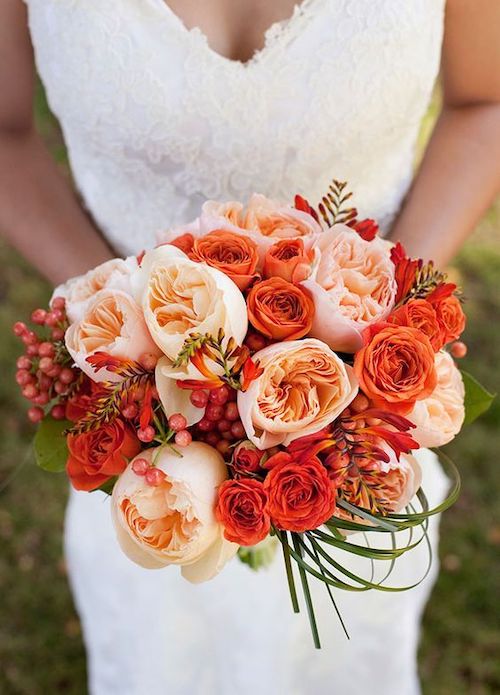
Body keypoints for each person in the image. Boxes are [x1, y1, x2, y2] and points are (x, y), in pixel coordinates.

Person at [1, 1, 499, 693]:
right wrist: (126, 327)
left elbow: (485, 102)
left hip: (356, 444)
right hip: (148, 438)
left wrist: (376, 335)